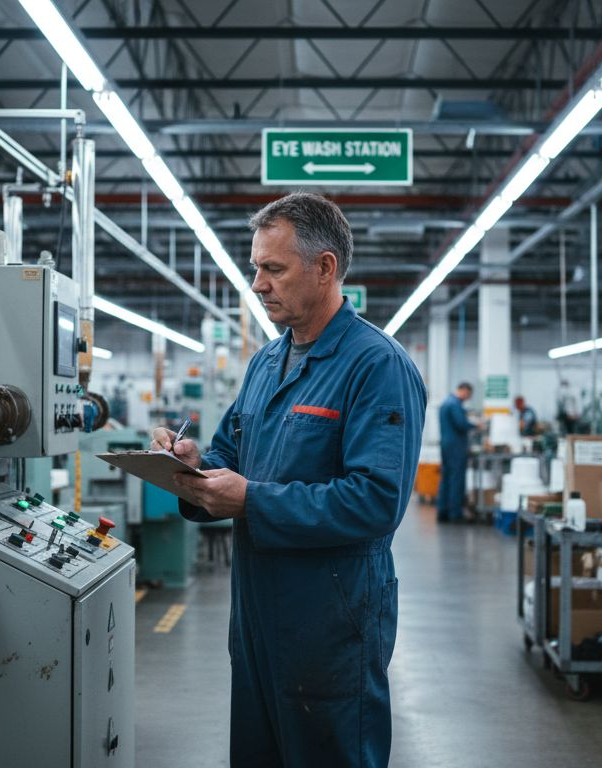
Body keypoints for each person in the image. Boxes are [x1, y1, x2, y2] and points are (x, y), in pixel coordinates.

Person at [151, 192, 425, 768]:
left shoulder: (376, 365)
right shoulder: (265, 363)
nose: (257, 284)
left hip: (331, 621)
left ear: (325, 268)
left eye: (273, 269)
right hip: (256, 616)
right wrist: (191, 465)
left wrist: (251, 501)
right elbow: (229, 456)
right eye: (256, 268)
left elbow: (376, 500)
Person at [436, 383, 476, 523]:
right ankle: (455, 513)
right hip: (456, 447)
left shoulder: (446, 403)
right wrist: (476, 425)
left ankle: (443, 511)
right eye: (468, 395)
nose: (467, 398)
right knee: (456, 479)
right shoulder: (455, 404)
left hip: (446, 445)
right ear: (464, 391)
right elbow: (461, 424)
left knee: (446, 477)